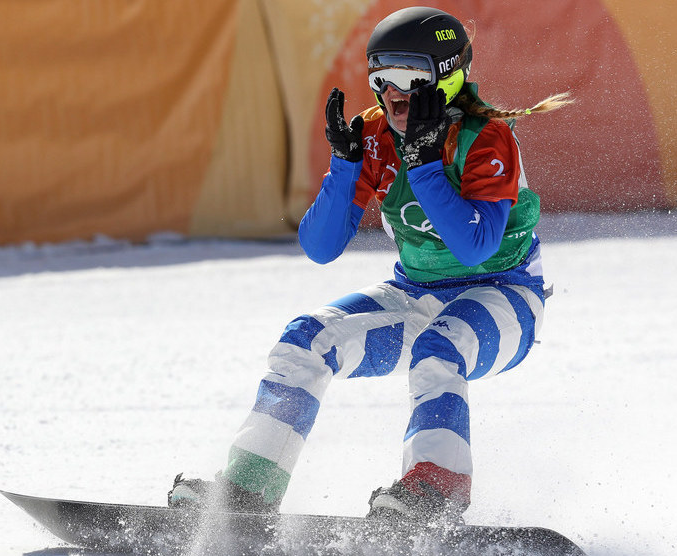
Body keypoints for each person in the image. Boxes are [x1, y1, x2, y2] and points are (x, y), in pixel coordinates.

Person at [168, 6, 571, 524]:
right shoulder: (378, 132)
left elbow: (476, 247)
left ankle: (436, 496)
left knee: (439, 348)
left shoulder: (484, 137)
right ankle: (247, 493)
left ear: (447, 77)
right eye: (381, 77)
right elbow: (320, 247)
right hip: (417, 294)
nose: (393, 92)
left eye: (409, 76)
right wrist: (344, 167)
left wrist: (424, 166)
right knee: (306, 338)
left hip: (506, 295)